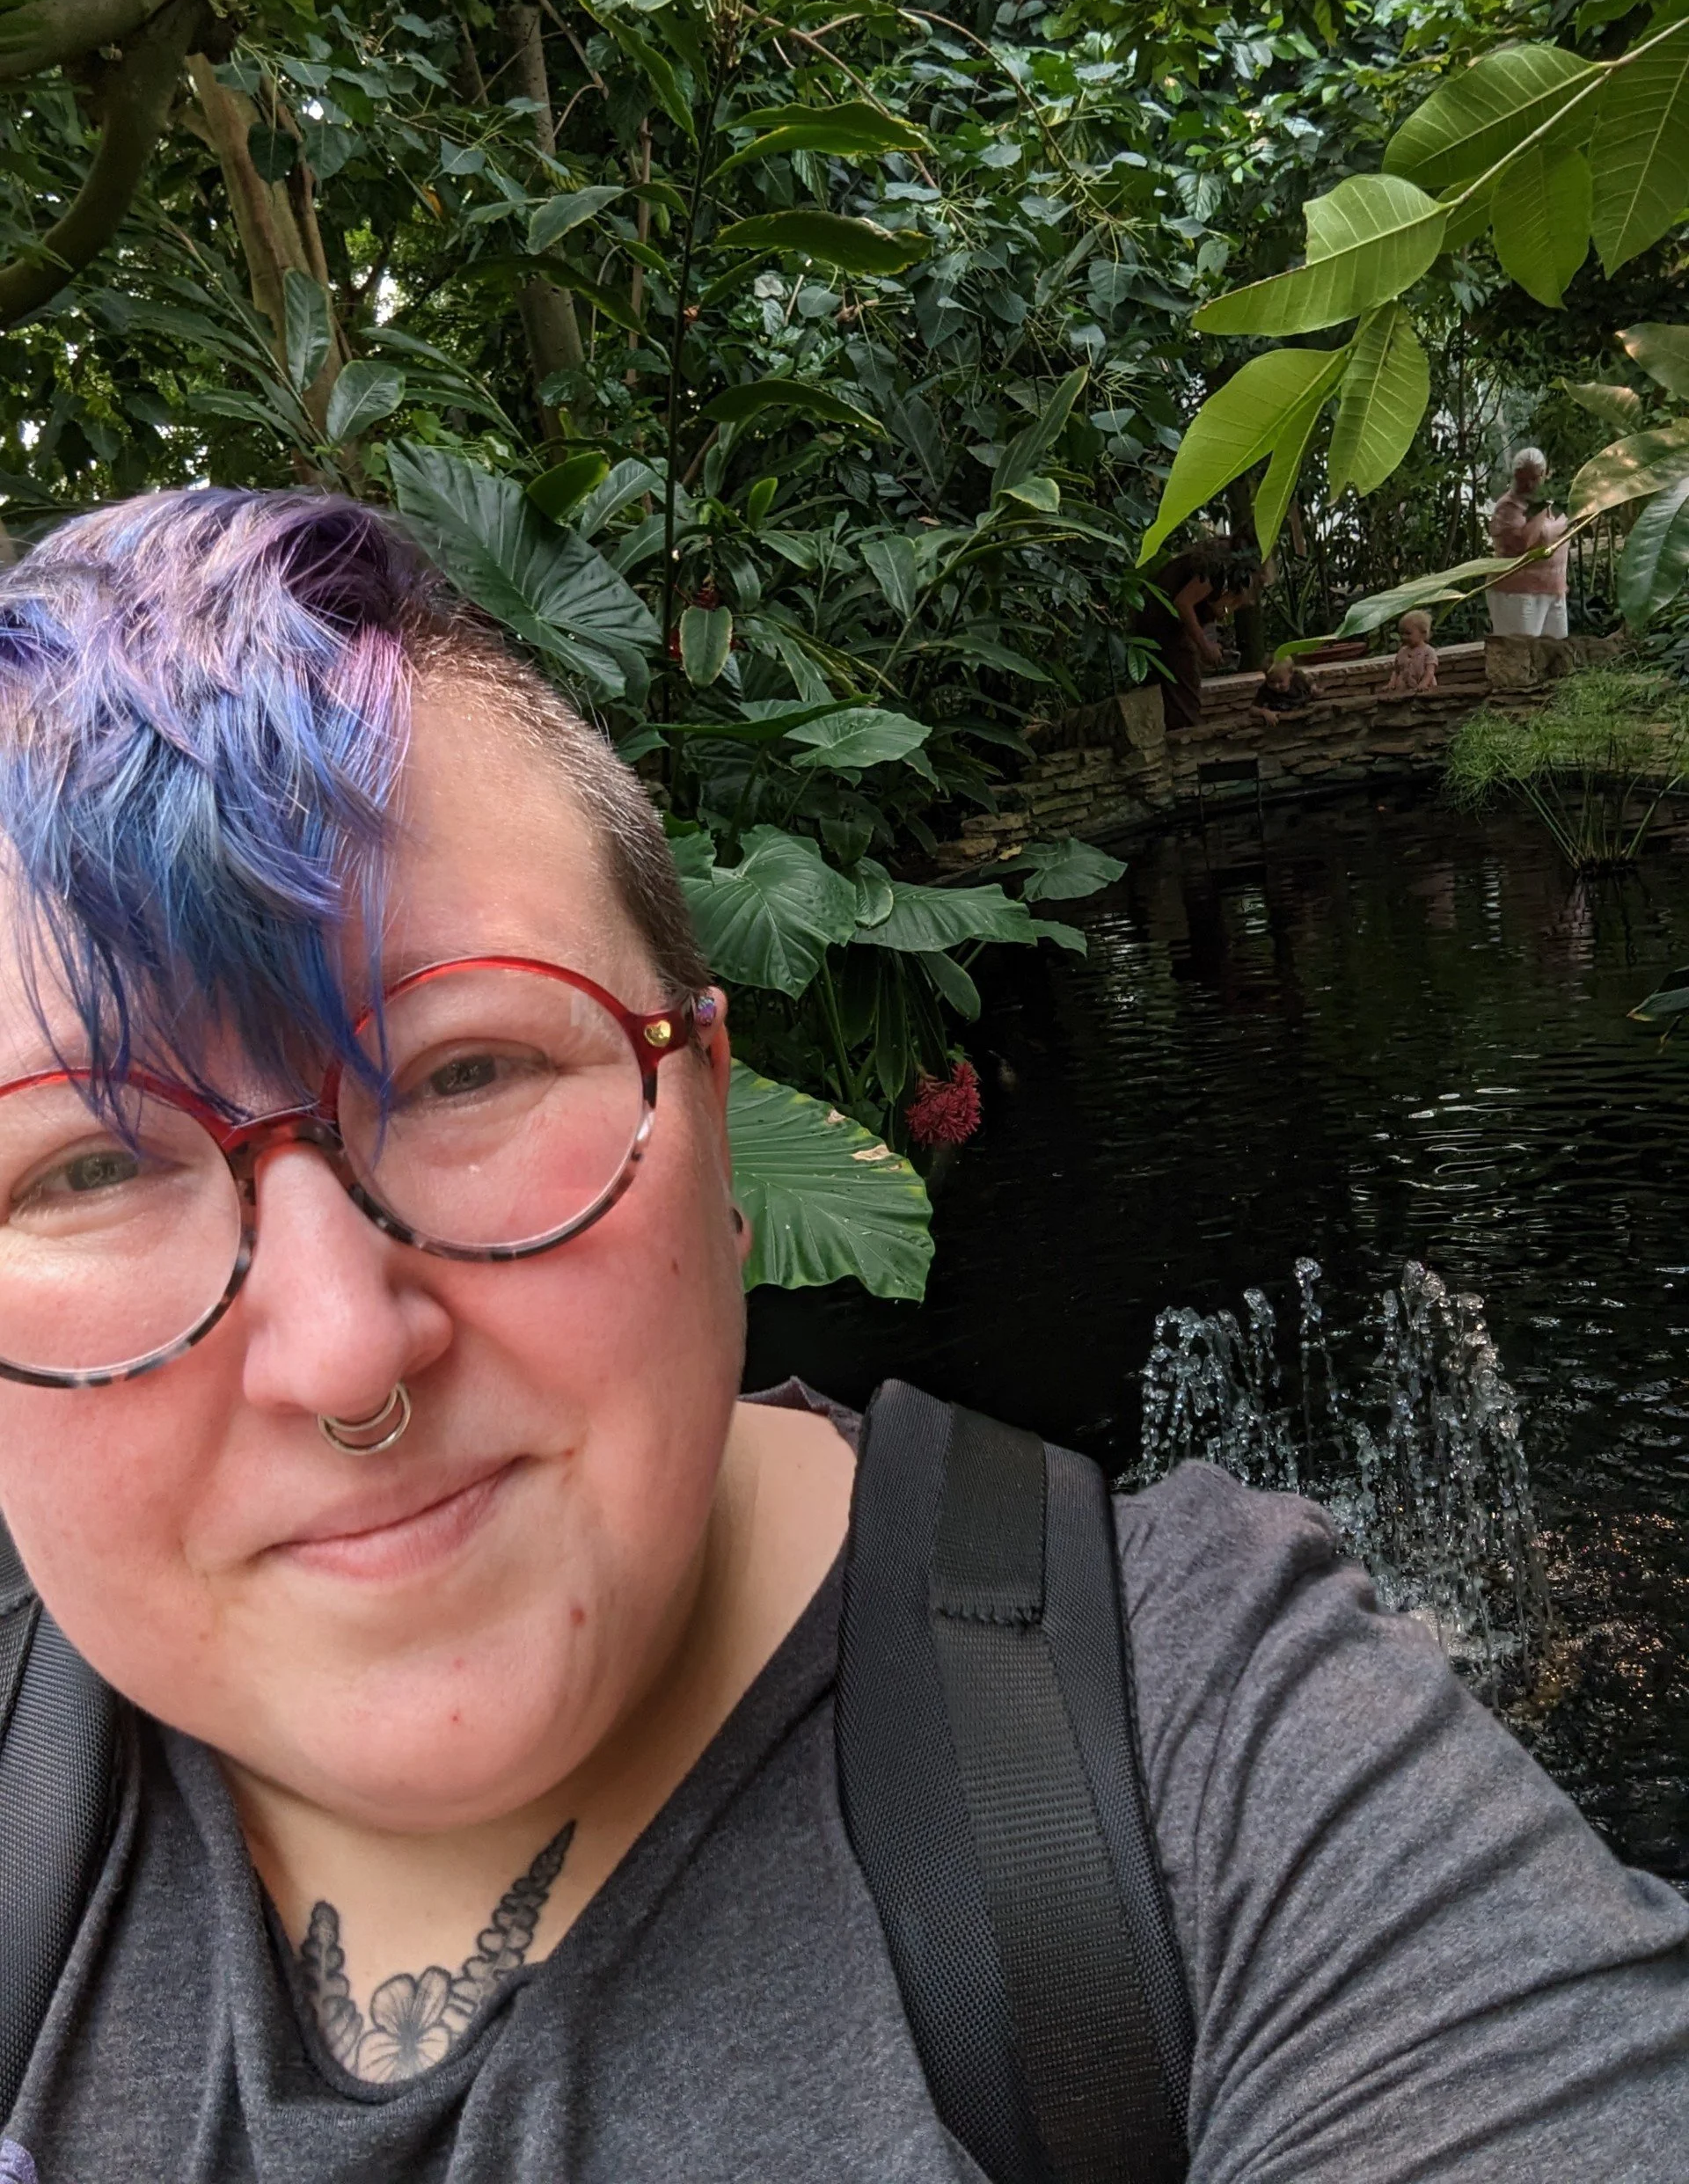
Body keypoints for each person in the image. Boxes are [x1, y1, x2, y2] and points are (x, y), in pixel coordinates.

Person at [0, 488, 1685, 2184]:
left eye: (468, 1072)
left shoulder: (1227, 1773)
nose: (345, 1356)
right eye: (86, 1168)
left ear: (713, 1115)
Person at [1140, 538, 1257, 731]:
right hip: (1162, 628)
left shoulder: (1215, 566)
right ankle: (1186, 737)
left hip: (1160, 627)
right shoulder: (1216, 570)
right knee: (1183, 694)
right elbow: (1183, 603)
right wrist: (1205, 646)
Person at [1486, 447, 1571, 638]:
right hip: (1518, 594)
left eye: (1534, 478)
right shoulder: (1508, 507)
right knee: (1522, 649)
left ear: (1544, 474)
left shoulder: (1555, 501)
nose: (1529, 485)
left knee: (1556, 649)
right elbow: (1524, 543)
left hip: (1554, 589)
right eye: (1522, 479)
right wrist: (1540, 506)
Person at [1388, 609, 1439, 694]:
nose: (1404, 637)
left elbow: (1429, 672)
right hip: (1403, 691)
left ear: (1423, 633)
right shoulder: (1402, 652)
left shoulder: (1428, 651)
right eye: (1402, 633)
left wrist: (1424, 684)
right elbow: (1396, 671)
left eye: (1408, 633)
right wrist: (1392, 683)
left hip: (1425, 690)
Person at [1253, 653, 1312, 722]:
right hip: (1281, 721)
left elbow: (1311, 692)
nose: (1276, 686)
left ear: (1291, 674)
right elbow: (1253, 709)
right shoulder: (1265, 689)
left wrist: (1315, 692)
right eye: (1271, 682)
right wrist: (1264, 712)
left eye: (1280, 681)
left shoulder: (1298, 680)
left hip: (1303, 718)